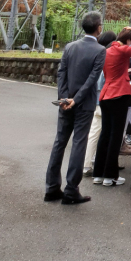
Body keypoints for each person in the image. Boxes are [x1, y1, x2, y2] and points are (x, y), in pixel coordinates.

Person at [44, 11, 107, 205]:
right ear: (99, 28)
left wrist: (64, 98)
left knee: (59, 142)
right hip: (84, 104)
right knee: (79, 143)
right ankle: (71, 190)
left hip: (65, 103)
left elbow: (61, 72)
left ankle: (52, 188)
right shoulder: (99, 50)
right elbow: (92, 79)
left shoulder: (70, 47)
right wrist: (77, 99)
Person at [93, 26, 131, 187]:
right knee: (116, 136)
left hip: (105, 94)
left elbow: (114, 70)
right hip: (119, 95)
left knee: (105, 134)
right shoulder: (123, 49)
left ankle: (98, 174)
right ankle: (110, 176)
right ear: (129, 40)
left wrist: (125, 71)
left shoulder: (107, 51)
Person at [82, 30, 117, 176]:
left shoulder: (91, 52)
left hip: (92, 98)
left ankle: (87, 163)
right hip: (102, 98)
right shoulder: (105, 54)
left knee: (94, 132)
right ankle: (93, 164)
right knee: (101, 133)